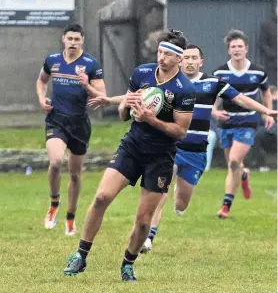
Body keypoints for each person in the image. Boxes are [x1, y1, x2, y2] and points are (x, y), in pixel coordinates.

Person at [89, 44, 277, 254]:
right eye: (186, 57)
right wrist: (110, 101)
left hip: (196, 152)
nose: (189, 61)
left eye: (193, 58)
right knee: (161, 191)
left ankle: (181, 194)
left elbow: (240, 99)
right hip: (171, 147)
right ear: (180, 60)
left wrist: (267, 110)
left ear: (200, 62)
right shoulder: (170, 83)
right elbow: (142, 95)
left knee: (180, 204)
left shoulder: (212, 83)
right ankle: (149, 238)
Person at [63, 29, 196, 282]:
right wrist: (126, 106)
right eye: (160, 52)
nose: (162, 58)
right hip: (132, 146)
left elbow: (180, 132)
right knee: (102, 196)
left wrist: (152, 119)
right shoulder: (142, 73)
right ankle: (80, 255)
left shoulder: (185, 90)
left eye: (168, 54)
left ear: (179, 59)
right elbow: (125, 114)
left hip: (160, 156)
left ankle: (127, 264)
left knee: (144, 222)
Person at [36, 23, 107, 236]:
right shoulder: (52, 61)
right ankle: (54, 203)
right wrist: (42, 99)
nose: (73, 43)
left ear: (82, 41)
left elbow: (102, 97)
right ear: (63, 39)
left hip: (79, 124)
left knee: (75, 174)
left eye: (77, 39)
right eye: (70, 39)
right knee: (56, 162)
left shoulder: (91, 64)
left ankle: (70, 217)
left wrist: (87, 86)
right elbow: (41, 81)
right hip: (56, 120)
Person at [212, 29, 275, 219]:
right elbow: (213, 97)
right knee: (234, 165)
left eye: (240, 46)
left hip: (248, 121)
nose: (237, 49)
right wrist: (215, 111)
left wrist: (268, 113)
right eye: (233, 47)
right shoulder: (220, 72)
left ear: (246, 49)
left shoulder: (258, 71)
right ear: (228, 50)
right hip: (227, 122)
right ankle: (244, 173)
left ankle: (225, 206)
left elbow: (266, 93)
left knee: (233, 161)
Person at [253, 85, 277, 172]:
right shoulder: (258, 105)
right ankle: (261, 164)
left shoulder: (275, 103)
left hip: (274, 129)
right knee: (256, 136)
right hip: (262, 130)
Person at [259, 4, 277, 86]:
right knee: (273, 88)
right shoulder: (267, 25)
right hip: (273, 64)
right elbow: (262, 43)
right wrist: (272, 54)